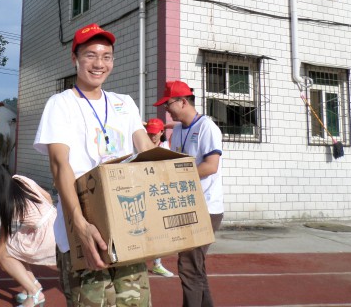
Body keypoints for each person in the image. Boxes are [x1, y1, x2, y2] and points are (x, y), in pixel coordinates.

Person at [34, 23, 154, 307]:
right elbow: (60, 166)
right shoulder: (60, 104)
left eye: (107, 56)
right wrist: (80, 224)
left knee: (135, 302)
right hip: (85, 224)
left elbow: (146, 151)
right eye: (90, 55)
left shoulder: (124, 103)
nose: (99, 64)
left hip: (127, 221)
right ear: (74, 59)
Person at [153, 80, 223, 307]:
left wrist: (179, 175)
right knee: (196, 268)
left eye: (168, 104)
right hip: (187, 205)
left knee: (188, 266)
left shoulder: (207, 128)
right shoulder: (179, 131)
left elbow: (211, 166)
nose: (166, 109)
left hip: (206, 208)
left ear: (183, 102)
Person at [0, 163, 56, 307]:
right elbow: (47, 196)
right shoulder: (20, 179)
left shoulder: (8, 203)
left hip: (46, 235)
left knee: (5, 254)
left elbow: (2, 242)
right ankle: (34, 286)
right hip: (55, 223)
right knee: (18, 245)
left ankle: (34, 294)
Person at [144, 118, 174, 278]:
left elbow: (179, 124)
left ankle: (157, 264)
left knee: (159, 228)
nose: (152, 136)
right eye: (149, 132)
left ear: (162, 132)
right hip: (144, 190)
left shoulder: (165, 146)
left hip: (160, 191)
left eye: (155, 133)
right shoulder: (141, 145)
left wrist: (166, 125)